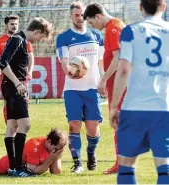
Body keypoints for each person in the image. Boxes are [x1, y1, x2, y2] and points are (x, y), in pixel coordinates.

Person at [109, 0, 169, 184]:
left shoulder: (131, 31)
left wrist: (113, 106)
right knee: (164, 166)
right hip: (163, 107)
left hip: (134, 107)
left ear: (140, 7)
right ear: (163, 7)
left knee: (127, 164)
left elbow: (124, 69)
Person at [0, 17, 52, 176]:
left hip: (12, 86)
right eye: (40, 37)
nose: (38, 40)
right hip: (14, 87)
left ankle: (13, 167)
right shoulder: (18, 40)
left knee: (12, 126)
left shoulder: (19, 40)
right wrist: (18, 84)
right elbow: (2, 62)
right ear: (37, 31)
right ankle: (19, 166)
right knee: (25, 125)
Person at [56, 1, 104, 173]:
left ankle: (91, 153)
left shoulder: (97, 35)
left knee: (92, 128)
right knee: (74, 125)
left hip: (92, 88)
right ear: (71, 16)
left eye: (82, 14)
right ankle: (78, 163)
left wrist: (104, 80)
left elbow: (101, 62)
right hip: (72, 89)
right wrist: (70, 71)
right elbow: (64, 60)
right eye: (76, 15)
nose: (80, 18)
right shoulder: (63, 37)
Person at [84, 3, 126, 174]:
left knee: (118, 122)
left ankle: (121, 164)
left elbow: (118, 58)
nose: (94, 27)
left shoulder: (113, 27)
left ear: (98, 16)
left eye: (92, 23)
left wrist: (103, 80)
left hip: (119, 84)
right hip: (120, 83)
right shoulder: (116, 25)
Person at [0, 14, 35, 124]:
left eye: (16, 24)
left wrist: (30, 71)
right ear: (6, 25)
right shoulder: (0, 41)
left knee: (24, 100)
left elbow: (31, 57)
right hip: (7, 76)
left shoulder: (23, 39)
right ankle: (10, 126)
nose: (14, 26)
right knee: (8, 102)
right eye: (12, 24)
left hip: (21, 76)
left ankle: (21, 123)